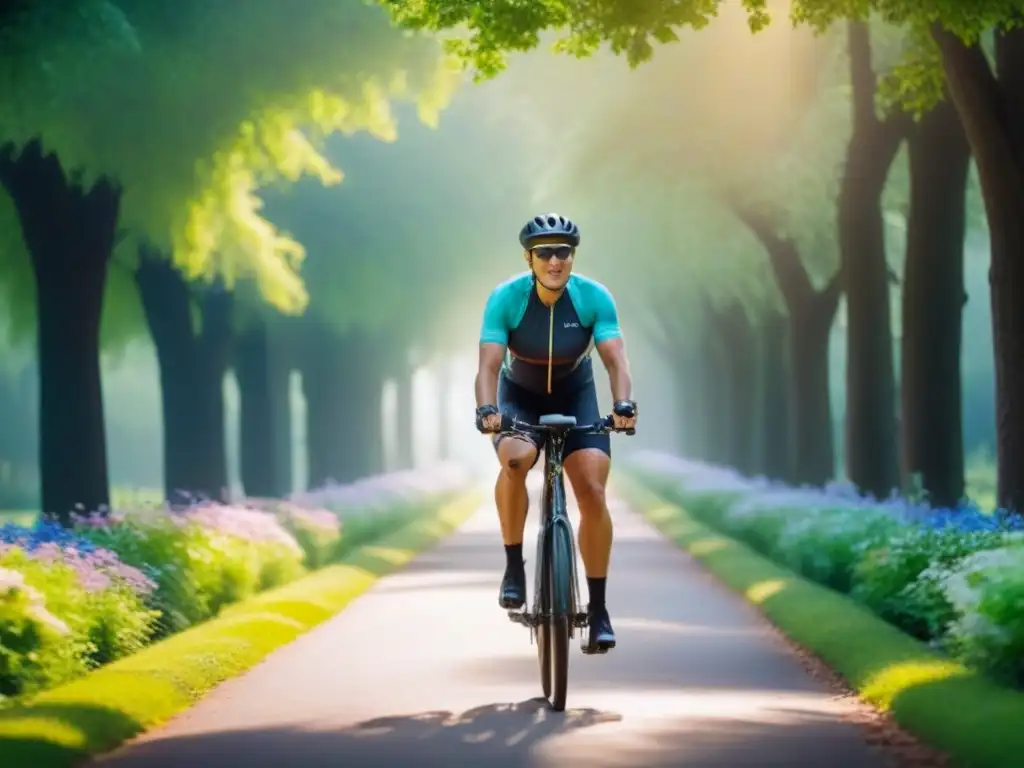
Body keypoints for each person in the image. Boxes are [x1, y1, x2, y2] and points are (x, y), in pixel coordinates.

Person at [473, 212, 638, 654]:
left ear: (573, 257)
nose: (555, 260)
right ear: (530, 258)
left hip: (575, 393)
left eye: (563, 252)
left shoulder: (592, 297)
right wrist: (487, 409)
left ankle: (599, 609)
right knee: (515, 460)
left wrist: (623, 404)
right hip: (519, 396)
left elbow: (615, 359)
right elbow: (488, 365)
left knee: (592, 489)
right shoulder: (507, 298)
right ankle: (514, 568)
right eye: (544, 252)